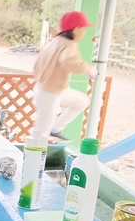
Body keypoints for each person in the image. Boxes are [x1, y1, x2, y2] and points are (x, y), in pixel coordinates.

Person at [32, 10, 98, 141]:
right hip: (49, 93)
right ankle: (36, 151)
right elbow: (68, 61)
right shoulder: (70, 44)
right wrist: (88, 69)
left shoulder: (53, 42)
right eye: (84, 29)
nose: (84, 32)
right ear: (76, 29)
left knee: (82, 101)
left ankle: (56, 129)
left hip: (48, 89)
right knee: (41, 134)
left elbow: (36, 66)